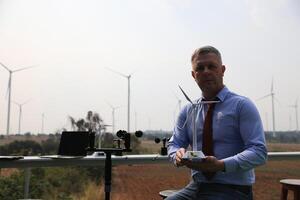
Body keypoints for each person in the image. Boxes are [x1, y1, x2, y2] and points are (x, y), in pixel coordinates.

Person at [167, 46, 267, 200]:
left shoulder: (242, 105)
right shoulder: (188, 110)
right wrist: (177, 155)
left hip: (233, 189)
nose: (206, 71)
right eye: (200, 68)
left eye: (211, 66)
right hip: (196, 186)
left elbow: (259, 152)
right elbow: (174, 144)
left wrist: (220, 165)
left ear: (222, 70)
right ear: (194, 75)